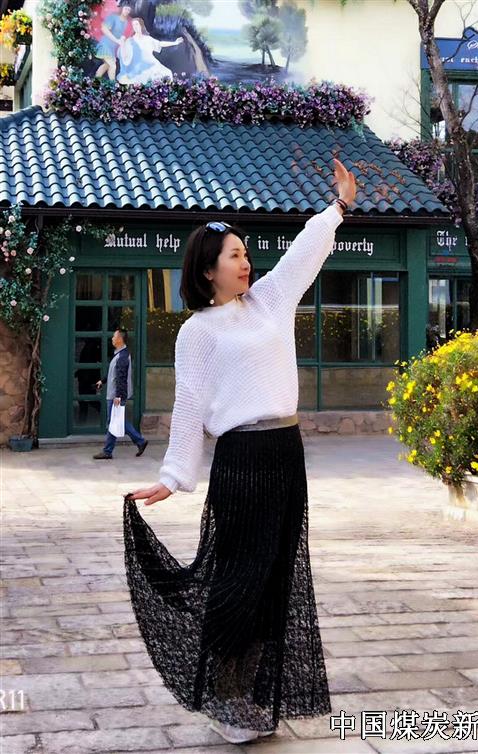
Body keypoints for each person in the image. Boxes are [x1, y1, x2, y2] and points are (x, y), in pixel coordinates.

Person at [124, 158, 356, 744]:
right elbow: (189, 404)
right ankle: (223, 697)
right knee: (239, 579)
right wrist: (173, 475)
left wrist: (339, 207)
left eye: (247, 253)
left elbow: (304, 253)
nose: (246, 261)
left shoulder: (269, 301)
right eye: (234, 255)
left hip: (286, 454)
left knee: (276, 576)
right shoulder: (198, 332)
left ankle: (247, 692)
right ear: (208, 270)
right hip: (243, 461)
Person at [93, 328, 148, 460]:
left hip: (115, 396)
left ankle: (108, 451)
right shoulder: (119, 354)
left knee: (113, 421)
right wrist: (103, 381)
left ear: (120, 339)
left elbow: (121, 378)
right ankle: (140, 441)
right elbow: (113, 372)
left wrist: (118, 396)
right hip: (115, 394)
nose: (112, 338)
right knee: (116, 421)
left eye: (114, 336)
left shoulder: (122, 356)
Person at [117, 17, 183, 84]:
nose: (135, 26)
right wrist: (122, 45)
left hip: (152, 64)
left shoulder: (148, 39)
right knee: (139, 80)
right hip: (138, 68)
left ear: (141, 25)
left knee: (167, 73)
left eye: (136, 24)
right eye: (133, 25)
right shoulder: (130, 41)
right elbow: (124, 56)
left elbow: (160, 44)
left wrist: (175, 43)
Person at [94, 2, 132, 81]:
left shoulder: (126, 23)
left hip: (112, 48)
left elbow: (123, 37)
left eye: (129, 10)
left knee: (106, 65)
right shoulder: (113, 17)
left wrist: (122, 41)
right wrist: (116, 40)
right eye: (125, 9)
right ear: (121, 8)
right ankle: (112, 85)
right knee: (113, 66)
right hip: (105, 44)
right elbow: (104, 29)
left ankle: (95, 83)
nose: (127, 11)